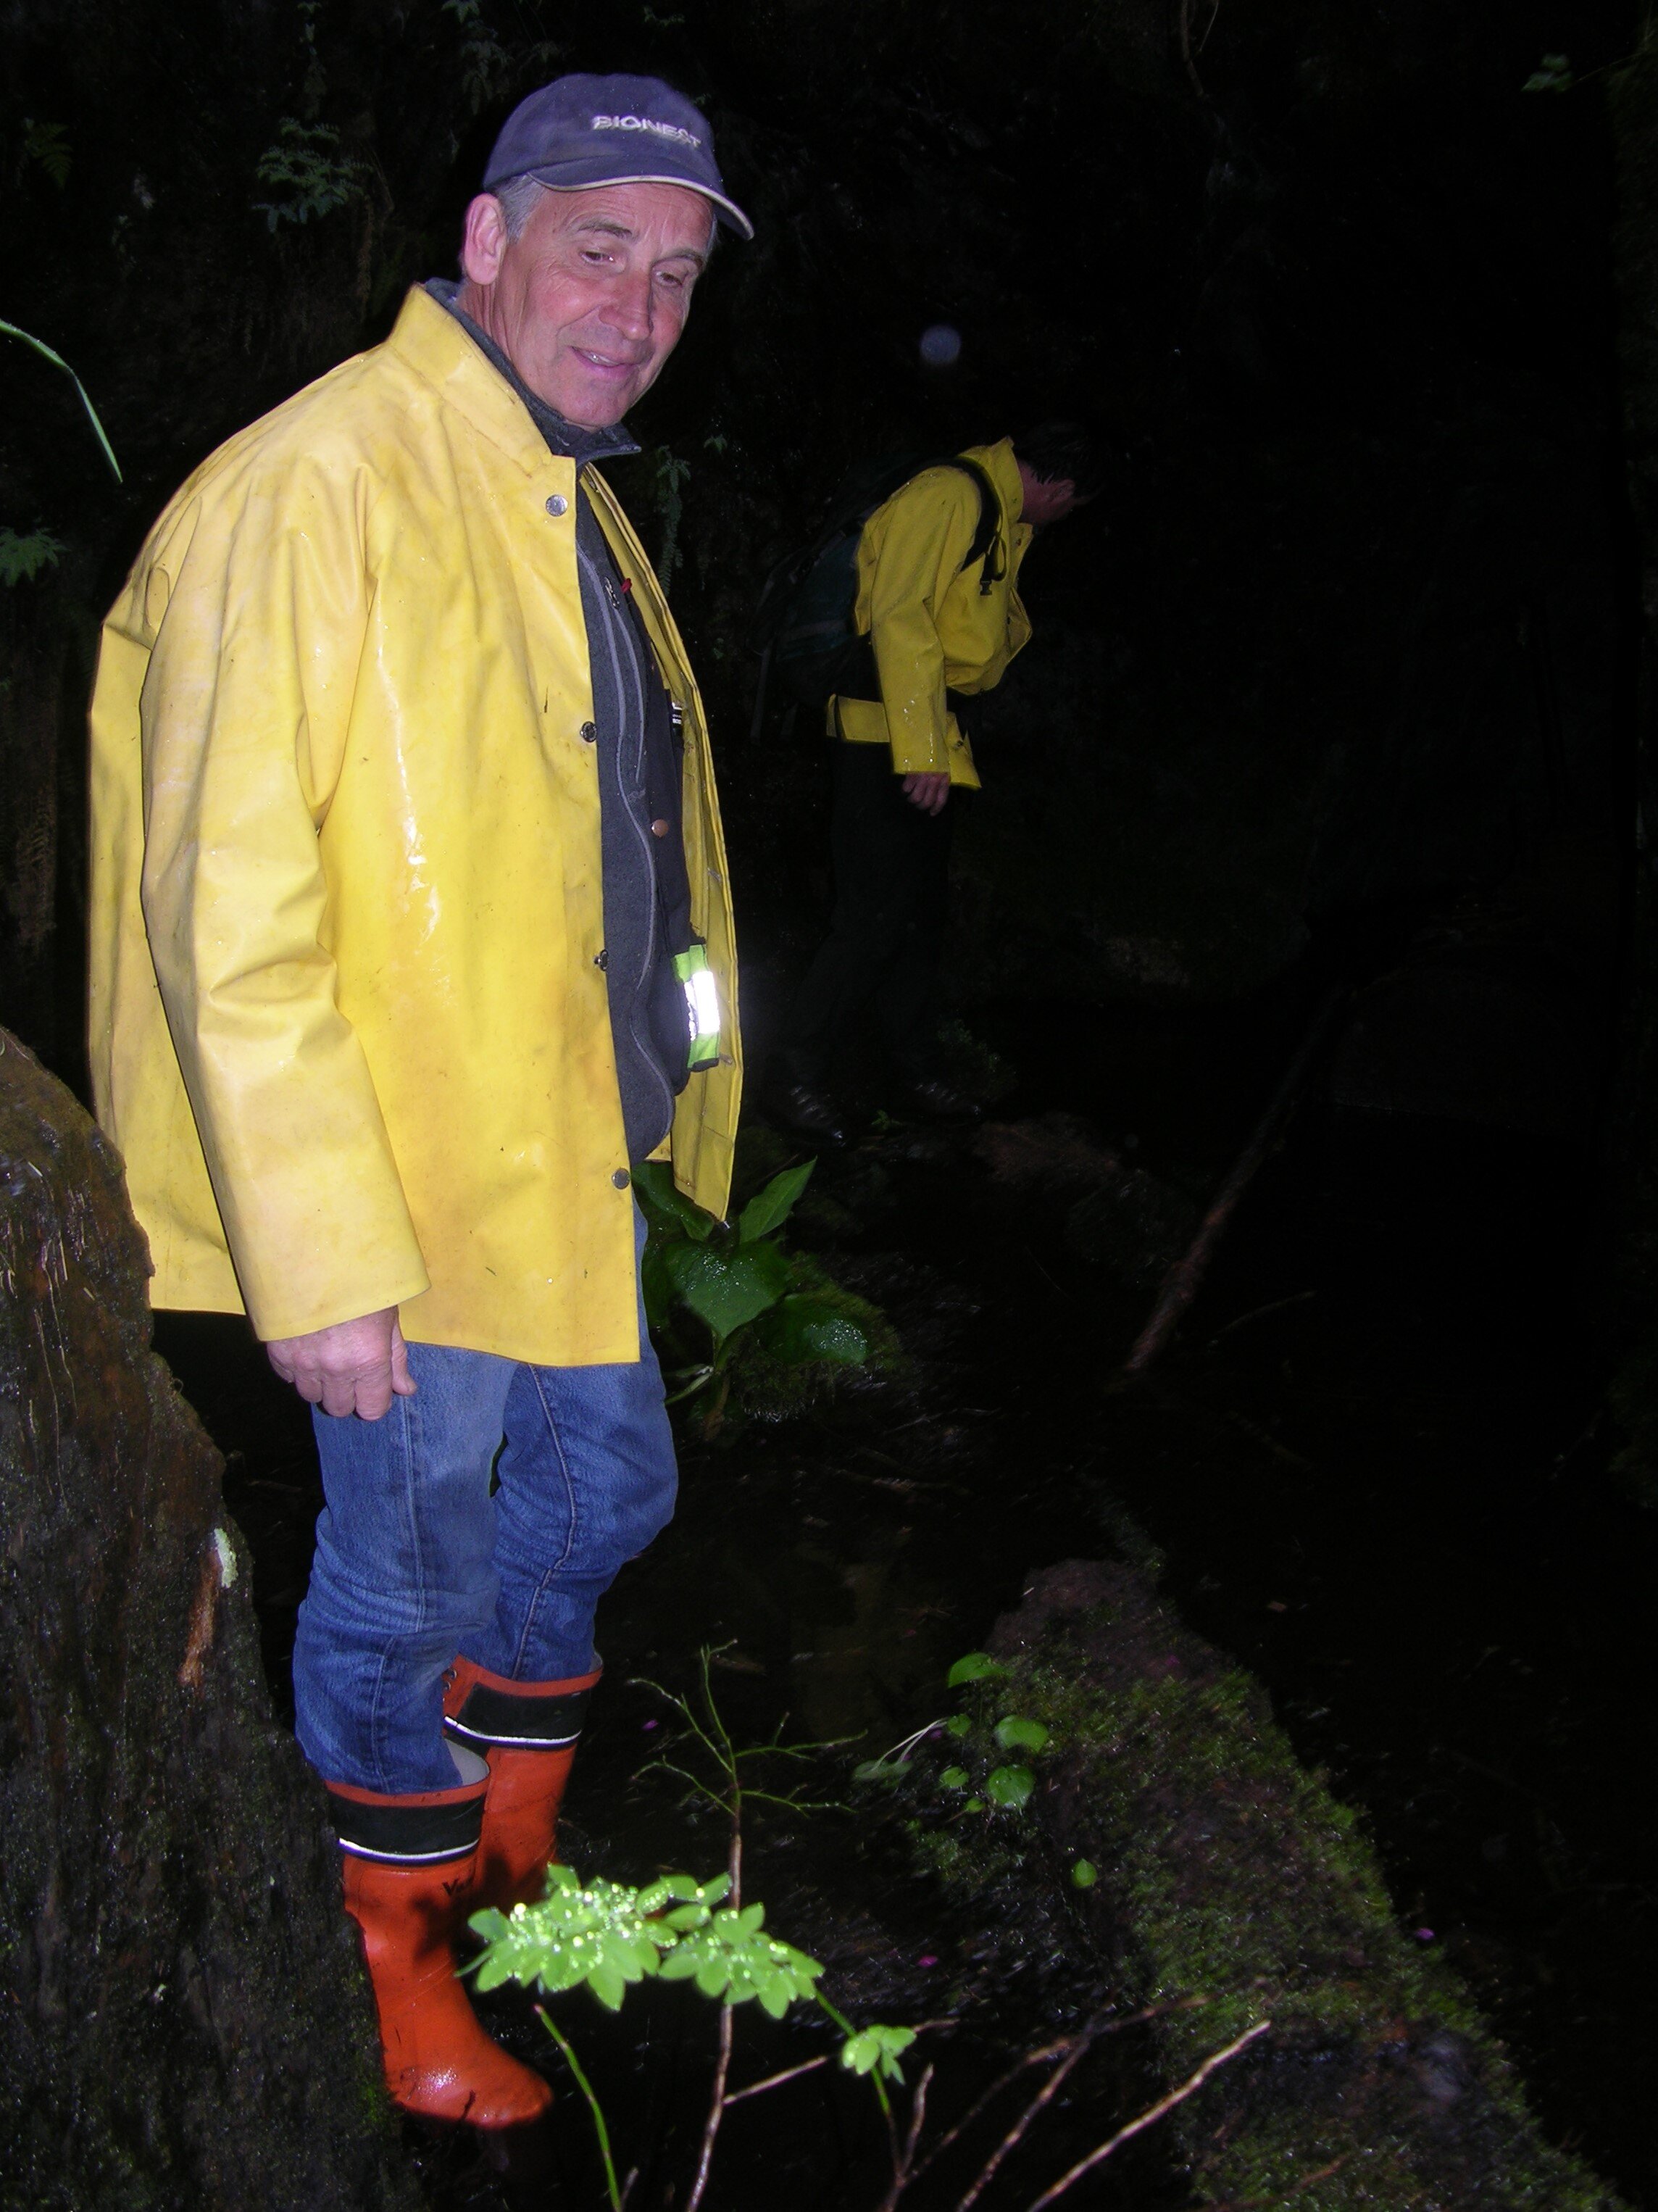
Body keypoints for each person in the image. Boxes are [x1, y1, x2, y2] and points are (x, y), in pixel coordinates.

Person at [86, 74, 750, 2129]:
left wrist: (668, 1096)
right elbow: (222, 898)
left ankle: (501, 1849)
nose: (637, 308)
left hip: (556, 1150)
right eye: (597, 251)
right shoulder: (320, 479)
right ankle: (400, 1958)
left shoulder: (559, 491)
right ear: (486, 239)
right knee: (410, 1577)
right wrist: (315, 1253)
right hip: (394, 1184)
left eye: (676, 273)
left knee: (605, 1496)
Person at [767, 427, 1096, 1143]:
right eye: (1071, 506)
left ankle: (912, 1071)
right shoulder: (950, 494)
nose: (1065, 518)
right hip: (882, 732)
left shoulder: (996, 516)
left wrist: (932, 748)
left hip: (924, 733)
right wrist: (919, 753)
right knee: (870, 918)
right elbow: (899, 615)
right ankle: (792, 1078)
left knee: (917, 920)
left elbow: (973, 635)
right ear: (1062, 488)